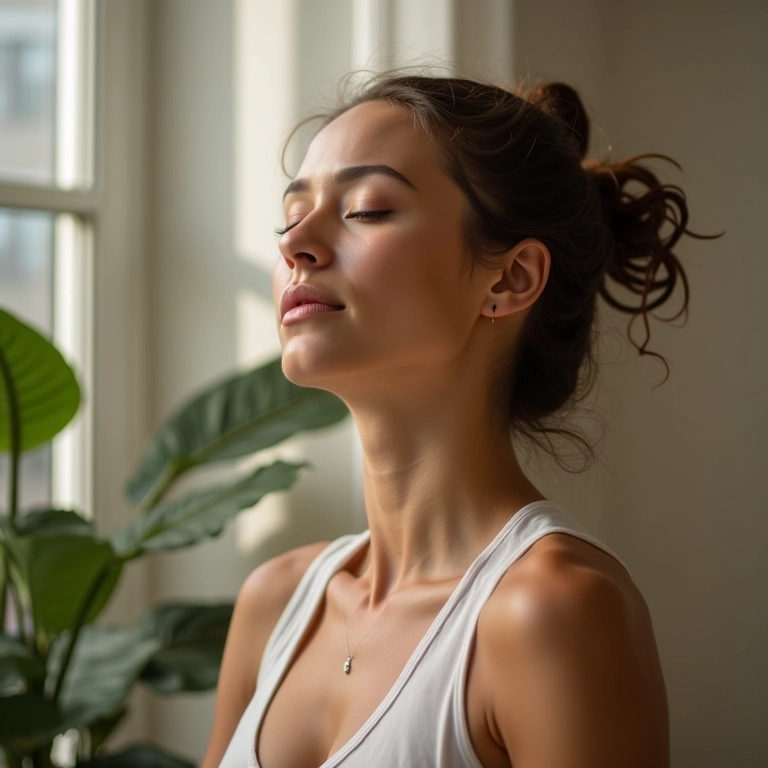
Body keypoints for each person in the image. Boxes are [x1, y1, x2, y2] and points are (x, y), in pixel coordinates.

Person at [203, 72, 709, 768]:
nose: (296, 245)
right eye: (290, 216)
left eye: (367, 210)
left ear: (511, 278)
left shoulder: (554, 611)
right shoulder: (275, 602)